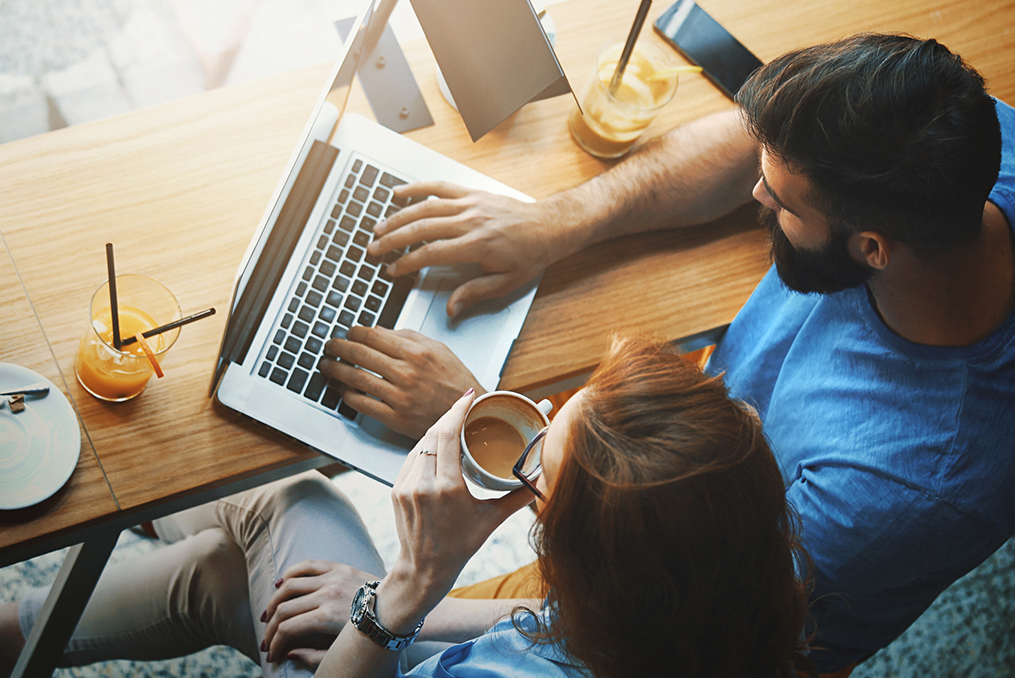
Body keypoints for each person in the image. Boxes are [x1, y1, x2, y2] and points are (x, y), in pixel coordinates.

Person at [316, 34, 1015, 674]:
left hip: (683, 619)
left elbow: (661, 608)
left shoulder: (894, 491)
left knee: (280, 574)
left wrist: (490, 446)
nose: (755, 192)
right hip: (671, 510)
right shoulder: (953, 135)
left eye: (781, 201)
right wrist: (557, 222)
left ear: (871, 249)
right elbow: (757, 146)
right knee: (234, 560)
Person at [0, 338, 813, 678]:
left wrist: (400, 597)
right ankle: (30, 619)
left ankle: (75, 570)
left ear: (580, 557)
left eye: (541, 485)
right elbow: (558, 617)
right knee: (233, 571)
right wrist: (395, 608)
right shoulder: (727, 578)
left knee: (292, 504)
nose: (524, 471)